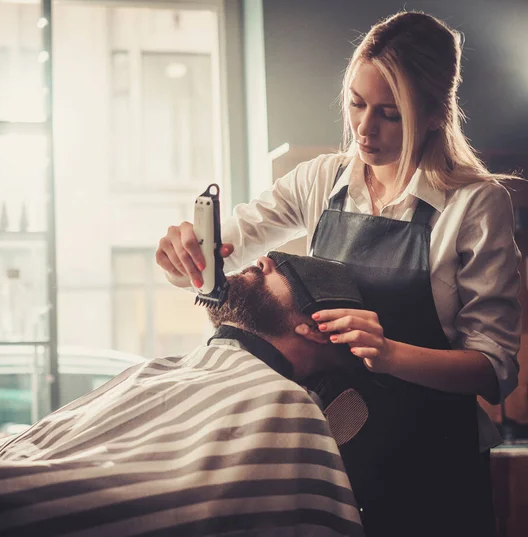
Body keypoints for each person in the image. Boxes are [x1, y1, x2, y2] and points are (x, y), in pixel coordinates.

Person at [155, 10, 522, 537]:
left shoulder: (475, 204)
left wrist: (390, 354)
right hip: (332, 448)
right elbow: (223, 256)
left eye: (391, 114)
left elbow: (493, 368)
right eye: (356, 104)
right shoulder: (321, 181)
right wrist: (184, 256)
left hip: (434, 454)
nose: (365, 130)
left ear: (436, 113)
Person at [0, 252, 366, 537]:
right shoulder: (169, 367)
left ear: (318, 327)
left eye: (282, 270)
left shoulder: (287, 406)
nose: (262, 261)